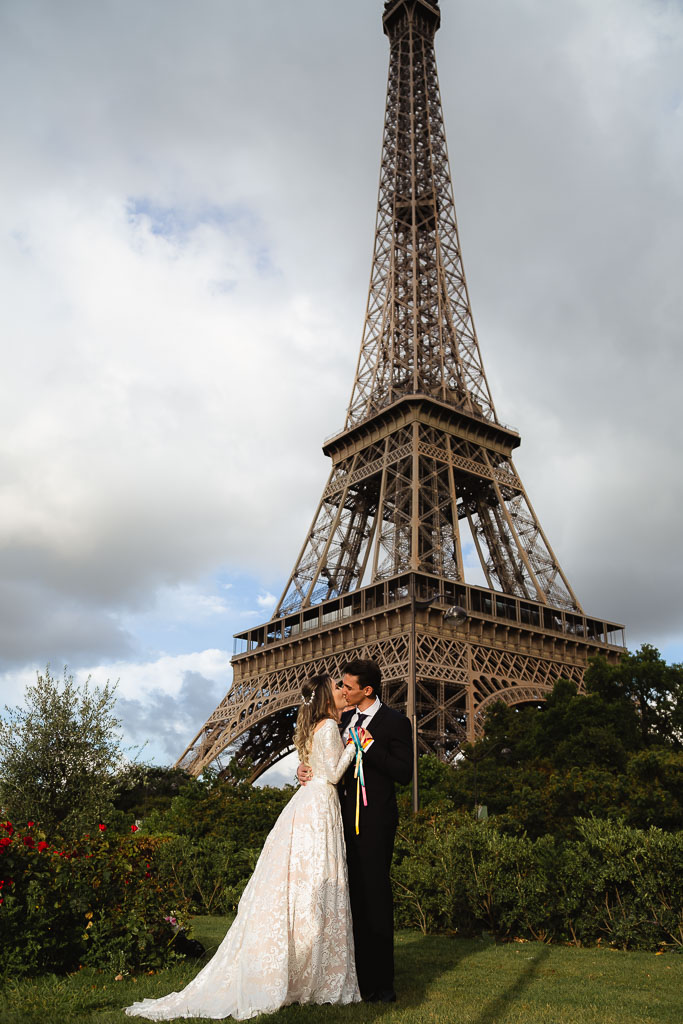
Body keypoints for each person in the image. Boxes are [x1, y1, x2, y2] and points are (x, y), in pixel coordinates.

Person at [126, 675, 364, 1021]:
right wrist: (356, 747)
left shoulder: (318, 726)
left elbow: (315, 766)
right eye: (338, 687)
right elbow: (330, 774)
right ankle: (314, 975)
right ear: (329, 695)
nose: (343, 691)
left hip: (306, 807)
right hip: (319, 805)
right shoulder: (329, 726)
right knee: (317, 882)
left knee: (303, 886)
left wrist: (313, 763)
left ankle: (300, 970)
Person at [297, 658, 413, 1003]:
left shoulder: (395, 722)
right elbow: (322, 761)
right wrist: (304, 770)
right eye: (340, 686)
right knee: (347, 900)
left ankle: (382, 983)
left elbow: (403, 773)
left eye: (347, 686)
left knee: (375, 897)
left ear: (367, 690)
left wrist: (369, 746)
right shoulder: (338, 720)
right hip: (335, 822)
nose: (342, 691)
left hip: (375, 822)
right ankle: (354, 978)